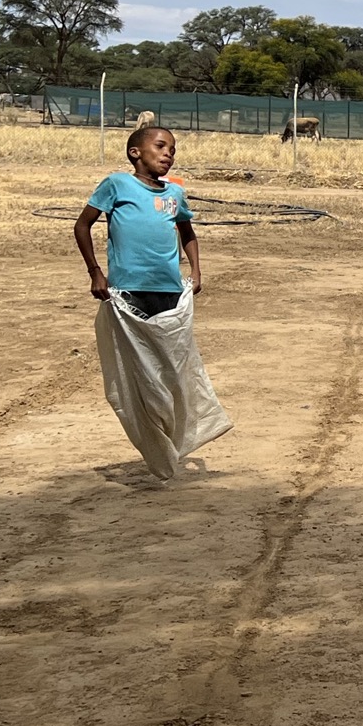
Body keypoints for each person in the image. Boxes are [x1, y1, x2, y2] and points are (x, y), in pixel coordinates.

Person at [73, 126, 231, 480]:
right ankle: (153, 441)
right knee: (141, 373)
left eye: (172, 150)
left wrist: (196, 270)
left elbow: (187, 231)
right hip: (128, 293)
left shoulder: (175, 193)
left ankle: (174, 435)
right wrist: (95, 272)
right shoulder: (117, 185)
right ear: (135, 152)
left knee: (173, 368)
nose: (168, 154)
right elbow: (83, 226)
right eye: (160, 146)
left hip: (170, 293)